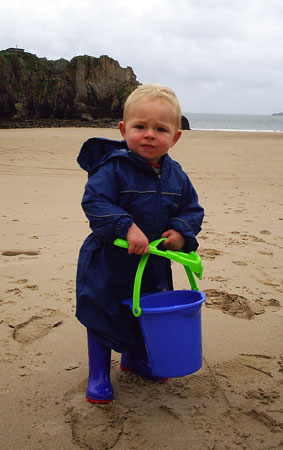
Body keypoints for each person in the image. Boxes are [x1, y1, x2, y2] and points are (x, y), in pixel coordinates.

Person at [76, 83, 204, 403]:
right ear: (123, 129)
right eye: (140, 126)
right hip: (108, 261)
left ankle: (135, 359)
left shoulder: (177, 176)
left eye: (160, 129)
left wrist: (180, 232)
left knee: (144, 313)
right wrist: (126, 227)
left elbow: (192, 208)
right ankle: (99, 374)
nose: (149, 134)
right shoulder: (113, 167)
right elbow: (95, 202)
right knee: (102, 315)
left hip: (152, 264)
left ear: (175, 137)